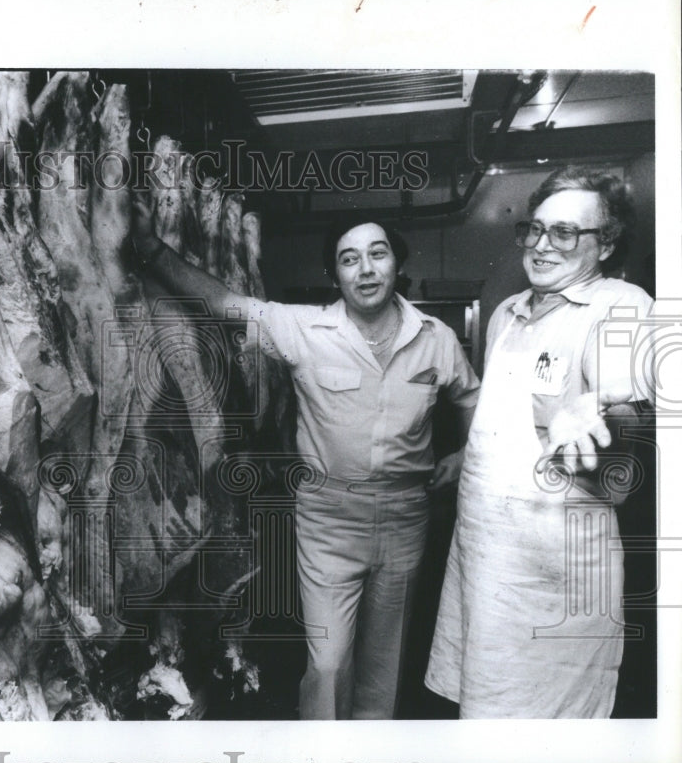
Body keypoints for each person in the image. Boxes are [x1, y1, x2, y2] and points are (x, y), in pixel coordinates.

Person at [132, 196, 480, 719]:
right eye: (349, 258)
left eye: (377, 253)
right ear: (334, 274)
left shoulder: (437, 339)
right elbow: (227, 303)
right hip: (329, 520)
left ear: (397, 263)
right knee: (328, 662)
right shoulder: (305, 330)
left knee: (386, 661)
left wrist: (465, 454)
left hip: (408, 518)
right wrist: (153, 251)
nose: (365, 269)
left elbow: (471, 396)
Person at [424, 165, 655, 718]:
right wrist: (469, 452)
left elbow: (630, 410)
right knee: (484, 712)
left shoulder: (619, 303)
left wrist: (600, 407)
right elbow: (505, 413)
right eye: (536, 228)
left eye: (567, 233)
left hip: (555, 572)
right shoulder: (508, 311)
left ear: (607, 243)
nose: (543, 245)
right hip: (484, 559)